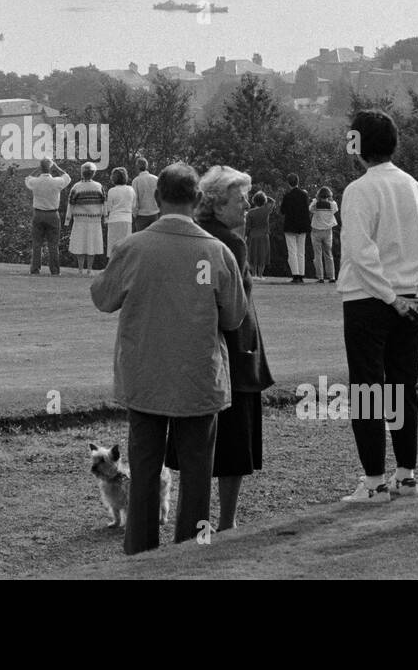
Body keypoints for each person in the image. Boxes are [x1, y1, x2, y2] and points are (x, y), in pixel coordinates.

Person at [90, 163, 246, 554]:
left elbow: (102, 298)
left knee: (143, 468)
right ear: (197, 200)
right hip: (198, 375)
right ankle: (189, 549)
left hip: (145, 375)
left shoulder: (134, 247)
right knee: (196, 471)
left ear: (157, 199)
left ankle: (140, 550)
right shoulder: (216, 251)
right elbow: (234, 316)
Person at [337, 109, 418, 503]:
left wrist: (390, 297)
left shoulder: (359, 190)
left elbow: (361, 254)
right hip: (410, 299)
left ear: (358, 145)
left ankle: (374, 482)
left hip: (369, 300)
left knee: (368, 390)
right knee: (401, 387)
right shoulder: (414, 187)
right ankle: (406, 474)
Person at [166, 166, 273, 532]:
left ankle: (194, 520)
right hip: (234, 350)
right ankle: (227, 522)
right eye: (240, 199)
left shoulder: (191, 235)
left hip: (193, 349)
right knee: (235, 443)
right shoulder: (231, 241)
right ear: (217, 202)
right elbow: (235, 304)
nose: (246, 205)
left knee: (194, 442)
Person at [25, 158, 70, 275]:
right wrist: (56, 167)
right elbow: (67, 177)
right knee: (53, 244)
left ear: (41, 168)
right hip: (52, 214)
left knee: (37, 244)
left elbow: (27, 179)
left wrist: (37, 169)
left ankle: (35, 269)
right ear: (51, 168)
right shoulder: (57, 182)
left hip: (38, 214)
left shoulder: (35, 182)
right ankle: (54, 271)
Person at [65, 162, 106, 275]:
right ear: (93, 173)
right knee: (91, 245)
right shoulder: (99, 186)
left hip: (80, 220)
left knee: (80, 244)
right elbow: (104, 203)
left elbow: (70, 204)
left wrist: (68, 220)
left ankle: (80, 269)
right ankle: (89, 269)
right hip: (95, 220)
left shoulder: (76, 187)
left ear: (82, 173)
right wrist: (104, 217)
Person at [280, 173, 311, 283]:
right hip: (302, 225)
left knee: (292, 251)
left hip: (290, 225)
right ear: (298, 181)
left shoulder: (287, 196)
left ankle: (295, 274)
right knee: (301, 251)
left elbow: (282, 211)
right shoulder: (304, 195)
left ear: (288, 183)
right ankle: (301, 274)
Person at [104, 167, 136, 259]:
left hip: (114, 220)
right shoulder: (131, 189)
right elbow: (134, 205)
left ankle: (112, 267)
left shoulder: (112, 191)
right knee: (126, 246)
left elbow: (109, 207)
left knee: (113, 246)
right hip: (127, 220)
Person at [310, 186, 339, 283]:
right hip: (328, 231)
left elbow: (310, 209)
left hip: (316, 231)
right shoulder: (332, 205)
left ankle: (320, 277)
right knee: (329, 254)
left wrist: (315, 200)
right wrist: (330, 200)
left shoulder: (315, 204)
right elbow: (336, 209)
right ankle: (332, 277)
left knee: (317, 255)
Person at [244, 191, 271, 279]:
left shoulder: (250, 213)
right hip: (264, 236)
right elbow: (273, 202)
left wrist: (245, 236)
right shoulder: (266, 211)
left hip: (253, 236)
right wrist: (266, 198)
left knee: (253, 256)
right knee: (262, 256)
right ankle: (260, 275)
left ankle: (254, 274)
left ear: (254, 201)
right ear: (264, 201)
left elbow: (247, 227)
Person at [130, 157, 160, 232]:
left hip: (141, 215)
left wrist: (134, 215)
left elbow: (135, 200)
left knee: (141, 241)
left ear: (137, 167)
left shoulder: (136, 181)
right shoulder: (156, 179)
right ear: (147, 166)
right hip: (155, 214)